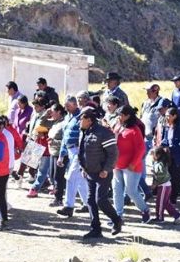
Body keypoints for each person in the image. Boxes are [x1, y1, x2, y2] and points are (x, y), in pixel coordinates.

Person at [77, 108, 122, 239]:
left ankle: (116, 220)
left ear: (89, 120)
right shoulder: (84, 132)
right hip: (89, 172)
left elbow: (113, 153)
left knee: (100, 200)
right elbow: (82, 152)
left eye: (82, 118)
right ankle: (95, 229)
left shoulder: (103, 133)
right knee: (90, 201)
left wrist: (106, 169)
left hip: (103, 173)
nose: (80, 121)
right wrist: (83, 168)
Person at [113, 106, 150, 222]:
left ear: (128, 116)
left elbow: (141, 149)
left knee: (131, 191)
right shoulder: (118, 126)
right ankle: (118, 215)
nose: (119, 117)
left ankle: (145, 210)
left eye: (121, 115)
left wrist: (134, 163)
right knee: (116, 189)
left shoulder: (135, 129)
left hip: (131, 166)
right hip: (117, 164)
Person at [56, 96, 89, 217]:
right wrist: (61, 155)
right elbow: (65, 138)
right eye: (66, 106)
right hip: (70, 150)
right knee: (80, 180)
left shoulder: (81, 116)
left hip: (78, 150)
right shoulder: (67, 118)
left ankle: (68, 206)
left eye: (68, 106)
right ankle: (88, 204)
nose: (66, 108)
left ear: (75, 105)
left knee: (70, 178)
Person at [139, 83, 164, 199]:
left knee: (156, 163)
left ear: (155, 91)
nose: (147, 93)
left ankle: (156, 187)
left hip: (154, 137)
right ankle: (143, 185)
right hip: (144, 136)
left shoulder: (161, 103)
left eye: (149, 91)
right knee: (141, 159)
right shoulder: (145, 103)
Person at [150, 147, 180, 223]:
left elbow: (161, 174)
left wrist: (155, 183)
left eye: (153, 154)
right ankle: (177, 215)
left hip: (164, 185)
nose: (152, 156)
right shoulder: (160, 162)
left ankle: (160, 217)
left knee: (160, 203)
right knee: (166, 203)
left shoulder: (160, 164)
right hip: (165, 185)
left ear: (157, 155)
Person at [47, 103, 67, 207]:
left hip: (60, 153)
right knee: (52, 175)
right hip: (53, 152)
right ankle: (56, 194)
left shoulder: (64, 123)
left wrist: (54, 141)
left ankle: (59, 198)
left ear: (59, 112)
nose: (51, 113)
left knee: (58, 176)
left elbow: (65, 141)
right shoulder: (55, 123)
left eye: (52, 111)